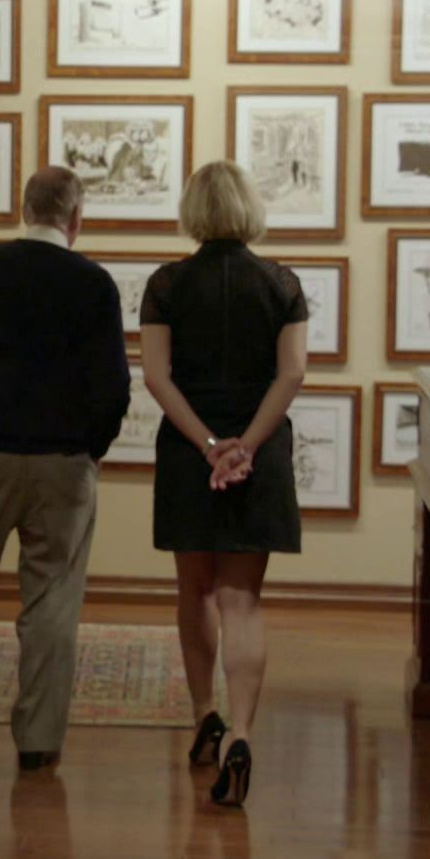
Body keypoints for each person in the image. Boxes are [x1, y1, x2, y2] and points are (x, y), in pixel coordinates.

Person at [0, 166, 131, 771]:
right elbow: (114, 386)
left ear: (24, 209)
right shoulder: (94, 283)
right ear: (76, 218)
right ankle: (39, 740)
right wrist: (92, 448)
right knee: (54, 595)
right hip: (63, 462)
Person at [139, 160, 309, 808]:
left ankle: (204, 717)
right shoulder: (282, 283)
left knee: (195, 588)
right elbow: (292, 374)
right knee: (242, 598)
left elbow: (157, 376)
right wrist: (246, 446)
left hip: (190, 454)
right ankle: (241, 734)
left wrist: (209, 446)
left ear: (193, 211)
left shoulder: (167, 284)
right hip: (258, 455)